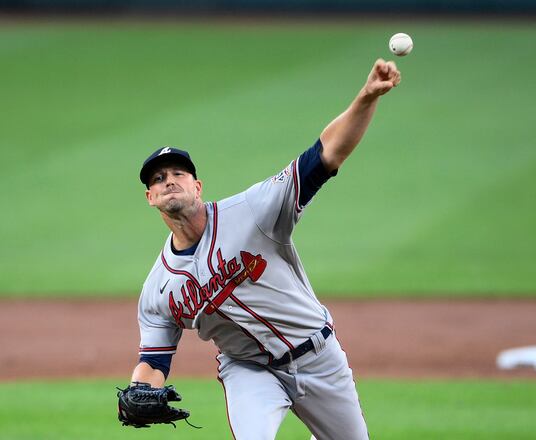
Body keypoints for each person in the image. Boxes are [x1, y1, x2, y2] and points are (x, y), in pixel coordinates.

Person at [125, 59, 401, 439]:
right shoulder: (158, 289)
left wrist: (366, 97)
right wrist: (141, 388)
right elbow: (153, 360)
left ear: (197, 186)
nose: (169, 181)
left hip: (319, 358)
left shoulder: (253, 210)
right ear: (150, 198)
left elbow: (326, 155)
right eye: (158, 179)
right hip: (249, 371)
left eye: (178, 174)